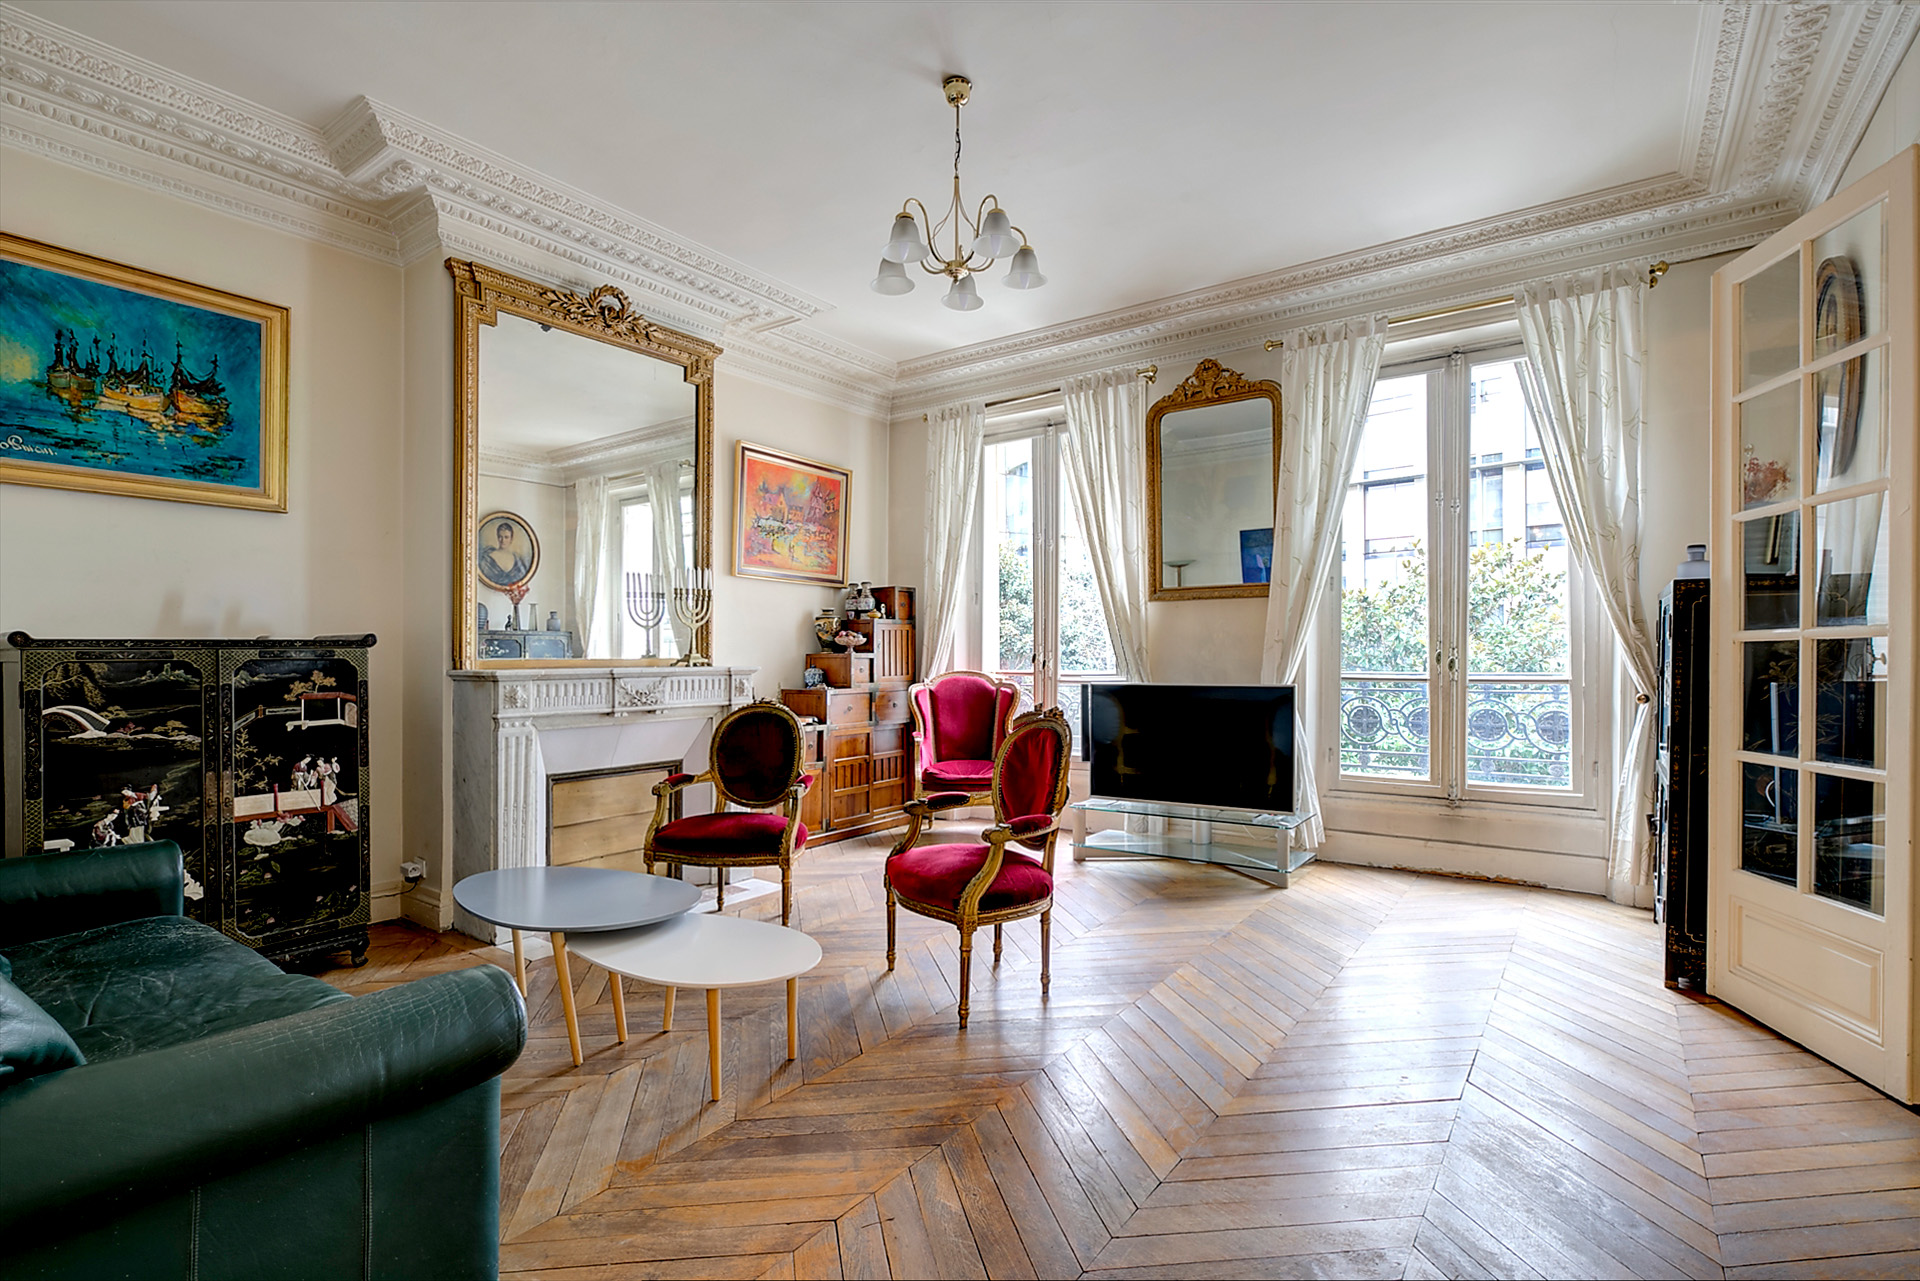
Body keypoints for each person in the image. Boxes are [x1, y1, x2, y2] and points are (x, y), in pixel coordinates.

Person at [479, 519, 531, 588]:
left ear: (511, 539)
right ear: (497, 537)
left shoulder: (517, 561)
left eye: (506, 537)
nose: (503, 540)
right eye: (500, 537)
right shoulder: (487, 559)